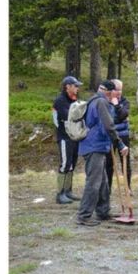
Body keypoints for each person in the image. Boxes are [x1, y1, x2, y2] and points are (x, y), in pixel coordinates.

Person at [76, 80, 126, 226]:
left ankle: (103, 212)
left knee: (103, 181)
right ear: (108, 92)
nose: (114, 96)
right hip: (94, 146)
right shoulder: (101, 103)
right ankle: (84, 215)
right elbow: (109, 125)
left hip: (95, 145)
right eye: (113, 93)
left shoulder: (94, 101)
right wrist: (120, 144)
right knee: (94, 182)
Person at [52, 75, 82, 204]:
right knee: (65, 164)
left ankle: (68, 191)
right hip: (64, 137)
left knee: (71, 164)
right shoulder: (60, 101)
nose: (77, 88)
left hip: (74, 137)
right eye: (75, 86)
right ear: (67, 87)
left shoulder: (74, 100)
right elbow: (69, 116)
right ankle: (60, 194)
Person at [106, 79, 132, 193]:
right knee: (109, 162)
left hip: (123, 134)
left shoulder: (125, 102)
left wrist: (117, 106)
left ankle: (128, 187)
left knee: (125, 162)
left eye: (120, 89)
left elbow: (122, 115)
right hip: (111, 135)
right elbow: (108, 118)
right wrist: (118, 116)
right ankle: (108, 188)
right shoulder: (105, 101)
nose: (119, 92)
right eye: (116, 89)